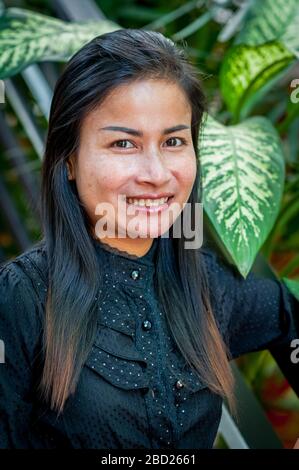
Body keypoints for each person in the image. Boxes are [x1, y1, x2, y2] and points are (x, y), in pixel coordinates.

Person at [0, 29, 298, 449]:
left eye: (174, 141)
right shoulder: (20, 299)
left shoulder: (204, 283)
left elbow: (287, 314)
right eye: (124, 143)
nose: (156, 174)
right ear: (69, 159)